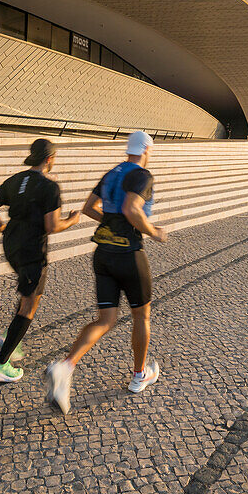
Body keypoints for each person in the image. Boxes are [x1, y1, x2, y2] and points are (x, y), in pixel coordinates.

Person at [45, 131, 167, 414]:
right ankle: (139, 376)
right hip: (129, 256)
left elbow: (89, 208)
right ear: (147, 149)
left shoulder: (111, 173)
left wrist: (111, 222)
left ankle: (65, 367)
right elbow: (132, 208)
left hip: (103, 255)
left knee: (105, 319)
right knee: (141, 316)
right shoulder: (143, 175)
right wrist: (152, 232)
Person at [0, 138, 80, 383]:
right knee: (29, 306)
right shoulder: (49, 187)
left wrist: (4, 229)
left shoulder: (15, 179)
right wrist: (73, 220)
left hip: (11, 244)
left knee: (30, 295)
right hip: (32, 249)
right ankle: (0, 364)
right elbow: (52, 225)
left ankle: (10, 339)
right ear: (49, 159)